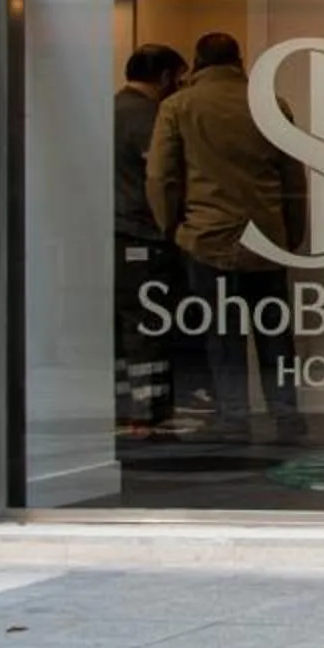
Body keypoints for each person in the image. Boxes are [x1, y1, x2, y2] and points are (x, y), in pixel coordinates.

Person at [146, 32, 306, 448]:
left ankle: (235, 419)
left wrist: (170, 228)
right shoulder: (272, 105)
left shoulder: (177, 107)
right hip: (267, 239)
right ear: (240, 59)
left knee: (222, 337)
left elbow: (161, 177)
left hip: (207, 239)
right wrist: (293, 233)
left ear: (197, 62)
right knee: (275, 335)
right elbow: (293, 178)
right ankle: (286, 415)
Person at [111, 44, 184, 440]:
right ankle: (147, 413)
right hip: (141, 233)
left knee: (122, 326)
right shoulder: (150, 118)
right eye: (180, 76)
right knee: (146, 324)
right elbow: (163, 177)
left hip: (109, 233)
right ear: (166, 76)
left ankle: (126, 407)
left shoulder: (109, 109)